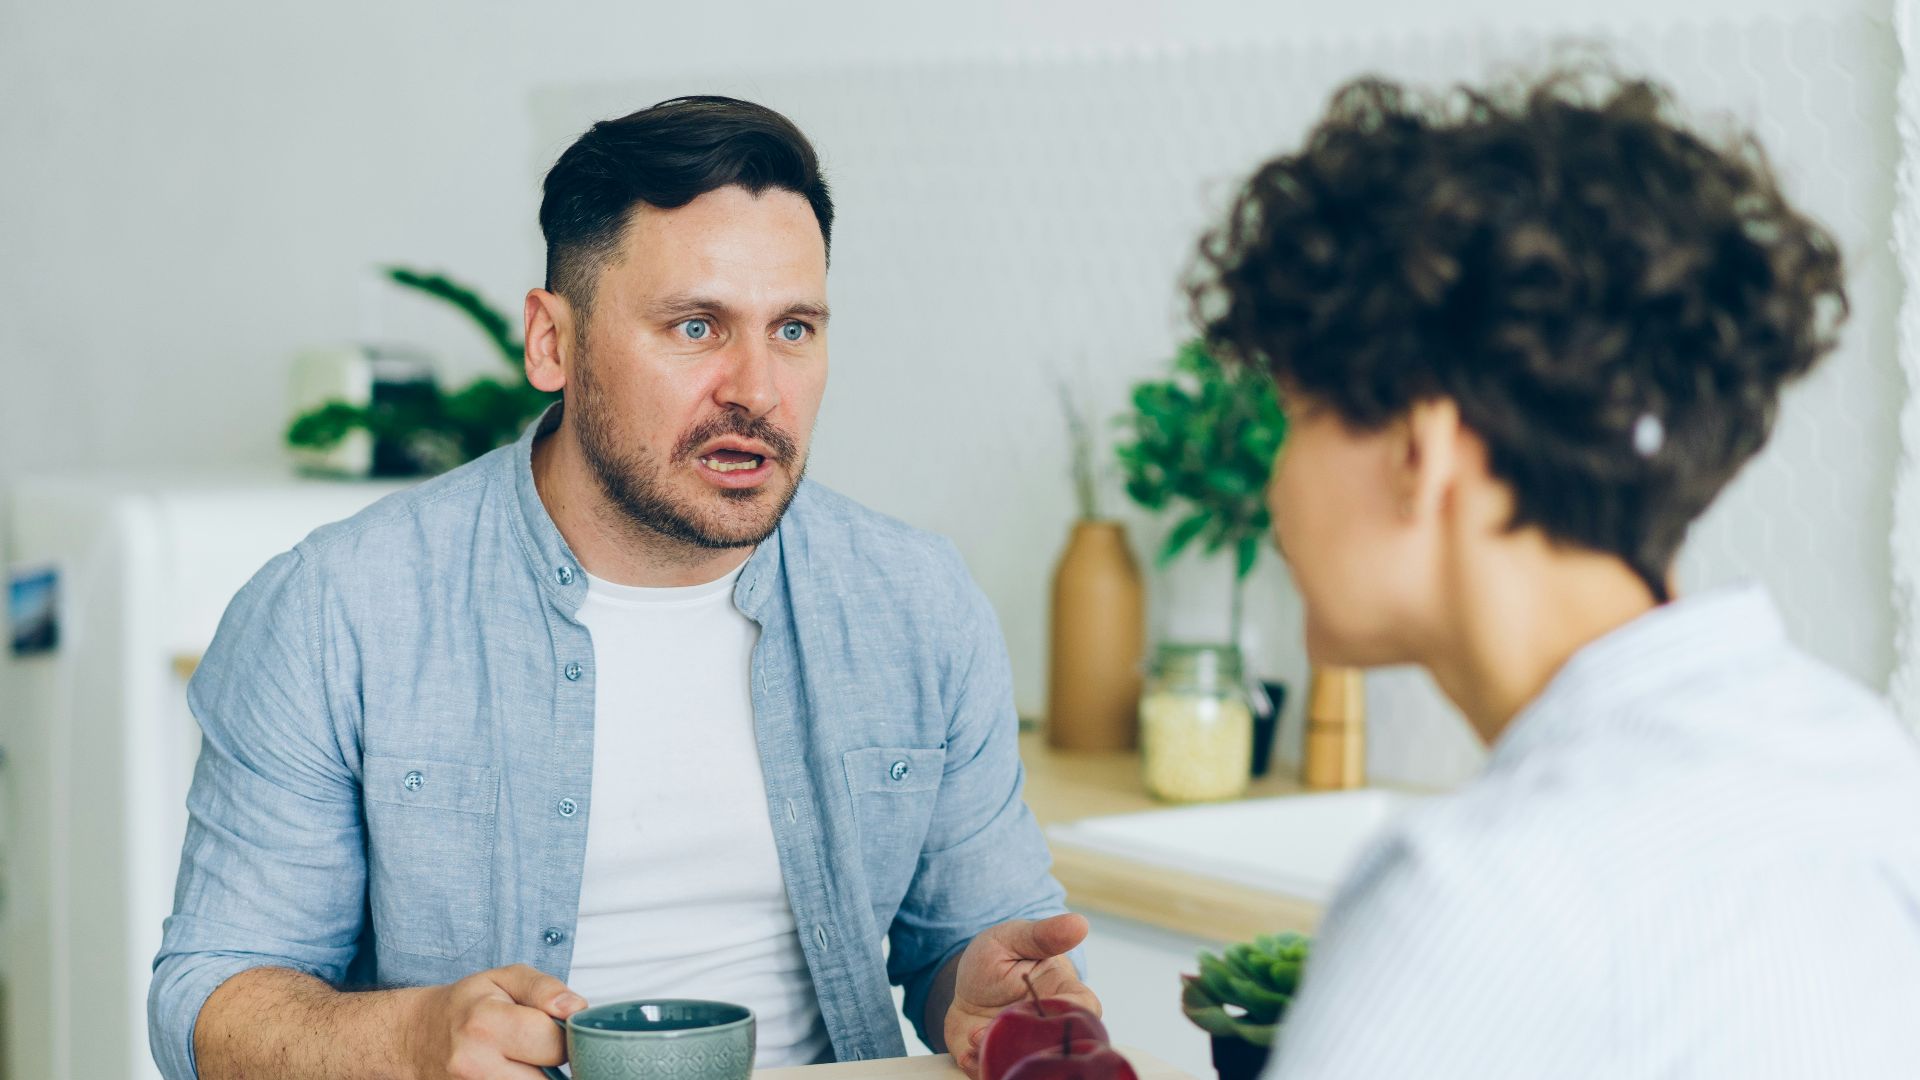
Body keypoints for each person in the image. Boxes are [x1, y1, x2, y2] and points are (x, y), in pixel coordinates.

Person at [150, 96, 1096, 1080]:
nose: (758, 389)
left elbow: (971, 944)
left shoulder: (918, 602)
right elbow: (206, 1003)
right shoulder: (334, 612)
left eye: (796, 329)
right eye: (697, 326)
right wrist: (411, 1039)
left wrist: (981, 990)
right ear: (551, 342)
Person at [1186, 67, 1920, 1077]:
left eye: (1298, 416)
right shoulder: (1854, 756)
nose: (1276, 484)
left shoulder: (1474, 894)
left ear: (1420, 451)